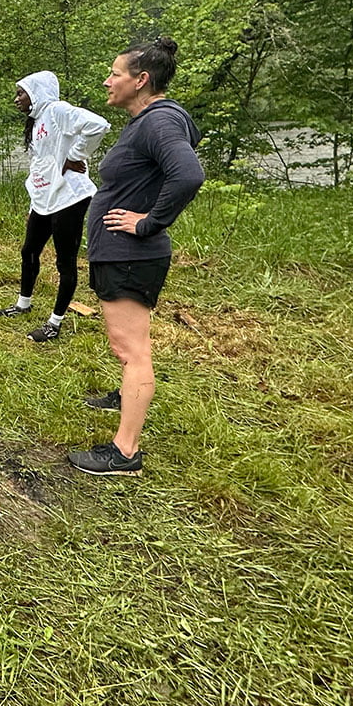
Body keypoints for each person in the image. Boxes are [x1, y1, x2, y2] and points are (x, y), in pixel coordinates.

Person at [69, 38, 204, 476]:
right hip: (123, 255)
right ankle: (126, 396)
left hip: (130, 253)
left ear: (141, 80)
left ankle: (125, 452)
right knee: (127, 346)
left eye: (115, 74)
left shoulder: (158, 122)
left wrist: (146, 223)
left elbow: (187, 174)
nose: (107, 82)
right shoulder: (148, 120)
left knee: (132, 352)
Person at [0, 71, 110, 342]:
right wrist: (35, 201)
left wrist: (75, 156)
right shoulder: (36, 122)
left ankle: (55, 323)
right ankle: (23, 303)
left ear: (37, 93)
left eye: (21, 93)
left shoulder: (57, 111)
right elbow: (42, 165)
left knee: (64, 261)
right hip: (45, 198)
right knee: (29, 250)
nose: (16, 99)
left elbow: (98, 125)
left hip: (69, 198)